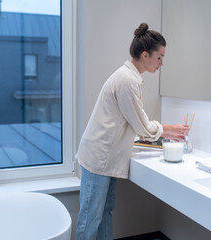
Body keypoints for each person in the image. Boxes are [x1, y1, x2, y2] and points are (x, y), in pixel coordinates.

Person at [75, 23, 189, 240]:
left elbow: (133, 124)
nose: (162, 63)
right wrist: (169, 129)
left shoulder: (129, 77)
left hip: (105, 158)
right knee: (90, 219)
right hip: (99, 158)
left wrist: (163, 130)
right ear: (145, 55)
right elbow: (142, 127)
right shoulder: (127, 80)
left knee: (104, 213)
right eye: (159, 57)